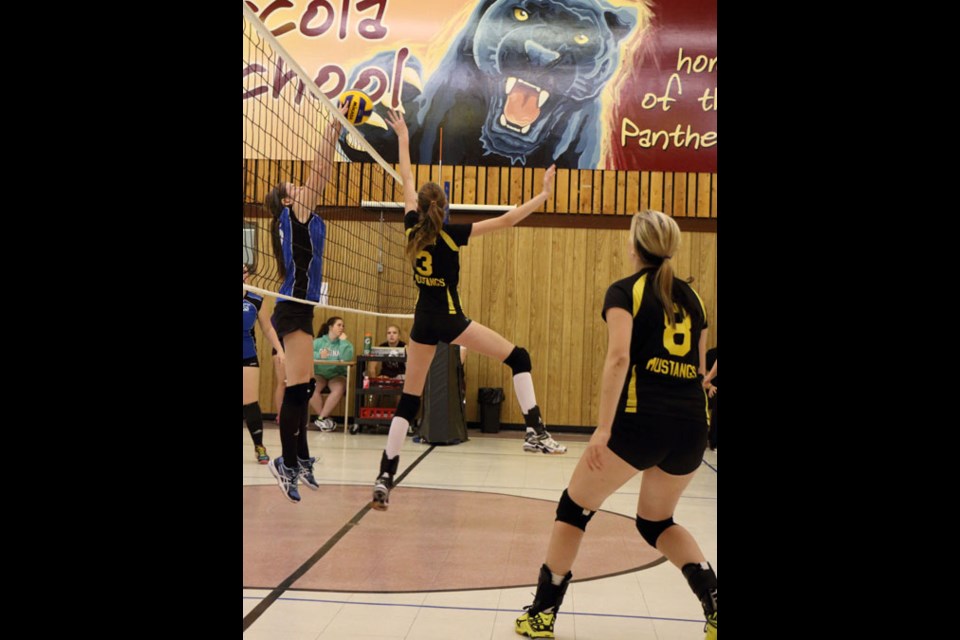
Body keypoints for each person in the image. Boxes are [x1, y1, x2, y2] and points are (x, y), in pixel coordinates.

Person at [515, 210, 717, 640]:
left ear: (634, 246)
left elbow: (619, 358)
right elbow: (700, 371)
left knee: (574, 508)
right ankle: (715, 605)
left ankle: (541, 614)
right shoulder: (695, 300)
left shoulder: (625, 291)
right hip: (692, 425)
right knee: (656, 522)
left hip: (641, 422)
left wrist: (604, 429)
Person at [369, 110, 566, 512]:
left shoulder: (411, 227)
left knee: (409, 400)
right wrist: (543, 196)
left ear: (421, 208)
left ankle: (385, 475)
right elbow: (509, 219)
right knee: (519, 357)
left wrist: (404, 136)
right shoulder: (453, 234)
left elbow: (406, 179)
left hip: (421, 322)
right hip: (451, 320)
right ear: (444, 205)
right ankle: (536, 431)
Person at [262, 104, 346, 502]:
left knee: (304, 385)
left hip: (302, 306)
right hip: (293, 308)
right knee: (297, 390)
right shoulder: (294, 214)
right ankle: (287, 462)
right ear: (285, 201)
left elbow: (321, 177)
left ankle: (301, 458)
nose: (296, 185)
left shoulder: (302, 217)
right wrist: (331, 130)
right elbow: (319, 174)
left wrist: (335, 136)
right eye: (289, 186)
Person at [243, 265, 285, 464]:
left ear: (247, 276)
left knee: (250, 402)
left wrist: (280, 350)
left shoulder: (256, 300)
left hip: (247, 355)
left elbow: (268, 328)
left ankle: (259, 445)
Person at [310, 316, 355, 431]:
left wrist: (343, 342)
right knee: (310, 387)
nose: (341, 328)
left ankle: (321, 418)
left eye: (343, 325)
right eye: (339, 325)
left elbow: (346, 359)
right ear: (330, 327)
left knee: (339, 388)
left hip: (337, 374)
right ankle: (324, 419)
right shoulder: (318, 342)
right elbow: (306, 355)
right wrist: (319, 355)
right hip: (320, 374)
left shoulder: (346, 344)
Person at [702, 349, 717, 451]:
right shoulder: (711, 354)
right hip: (711, 389)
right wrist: (709, 385)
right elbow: (703, 378)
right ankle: (714, 441)